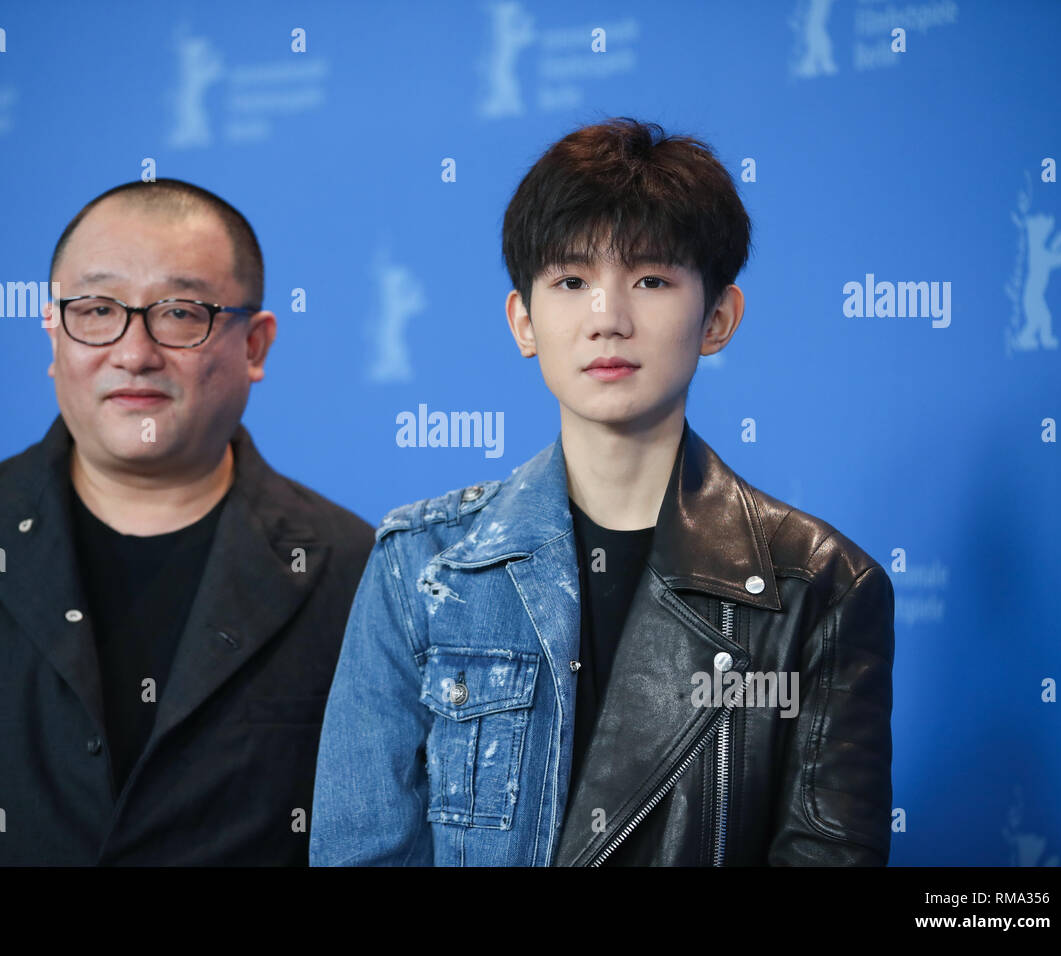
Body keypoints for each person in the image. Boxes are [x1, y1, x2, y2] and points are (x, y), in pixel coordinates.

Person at [309, 119, 895, 866]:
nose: (607, 320)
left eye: (651, 280)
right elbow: (363, 852)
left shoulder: (821, 587)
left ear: (718, 318)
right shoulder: (423, 565)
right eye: (571, 282)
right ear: (524, 320)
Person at [0, 178, 374, 865]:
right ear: (54, 334)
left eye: (181, 313)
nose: (134, 352)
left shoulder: (352, 566)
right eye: (97, 310)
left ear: (254, 345)